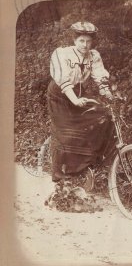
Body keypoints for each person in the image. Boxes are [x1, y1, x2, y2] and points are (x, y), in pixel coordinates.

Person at [47, 21, 113, 188]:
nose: (85, 45)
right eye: (81, 41)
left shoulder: (94, 56)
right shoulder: (62, 53)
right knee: (64, 133)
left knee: (102, 116)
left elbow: (100, 77)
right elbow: (63, 79)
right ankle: (58, 174)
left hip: (78, 92)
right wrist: (74, 100)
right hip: (59, 94)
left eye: (88, 41)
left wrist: (109, 95)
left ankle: (82, 166)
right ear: (75, 40)